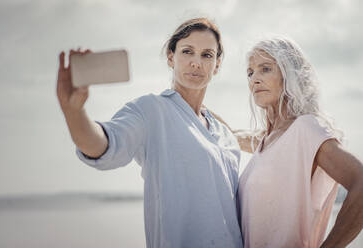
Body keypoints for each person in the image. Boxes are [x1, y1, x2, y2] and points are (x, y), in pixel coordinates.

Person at [56, 18, 243, 248]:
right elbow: (102, 145)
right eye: (187, 51)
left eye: (207, 55)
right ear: (171, 57)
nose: (197, 62)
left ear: (217, 65)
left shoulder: (226, 137)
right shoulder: (151, 111)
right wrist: (74, 112)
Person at [233, 37, 363, 247]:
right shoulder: (265, 141)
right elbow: (231, 134)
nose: (254, 78)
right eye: (250, 72)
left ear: (288, 74)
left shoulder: (305, 128)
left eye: (265, 69)